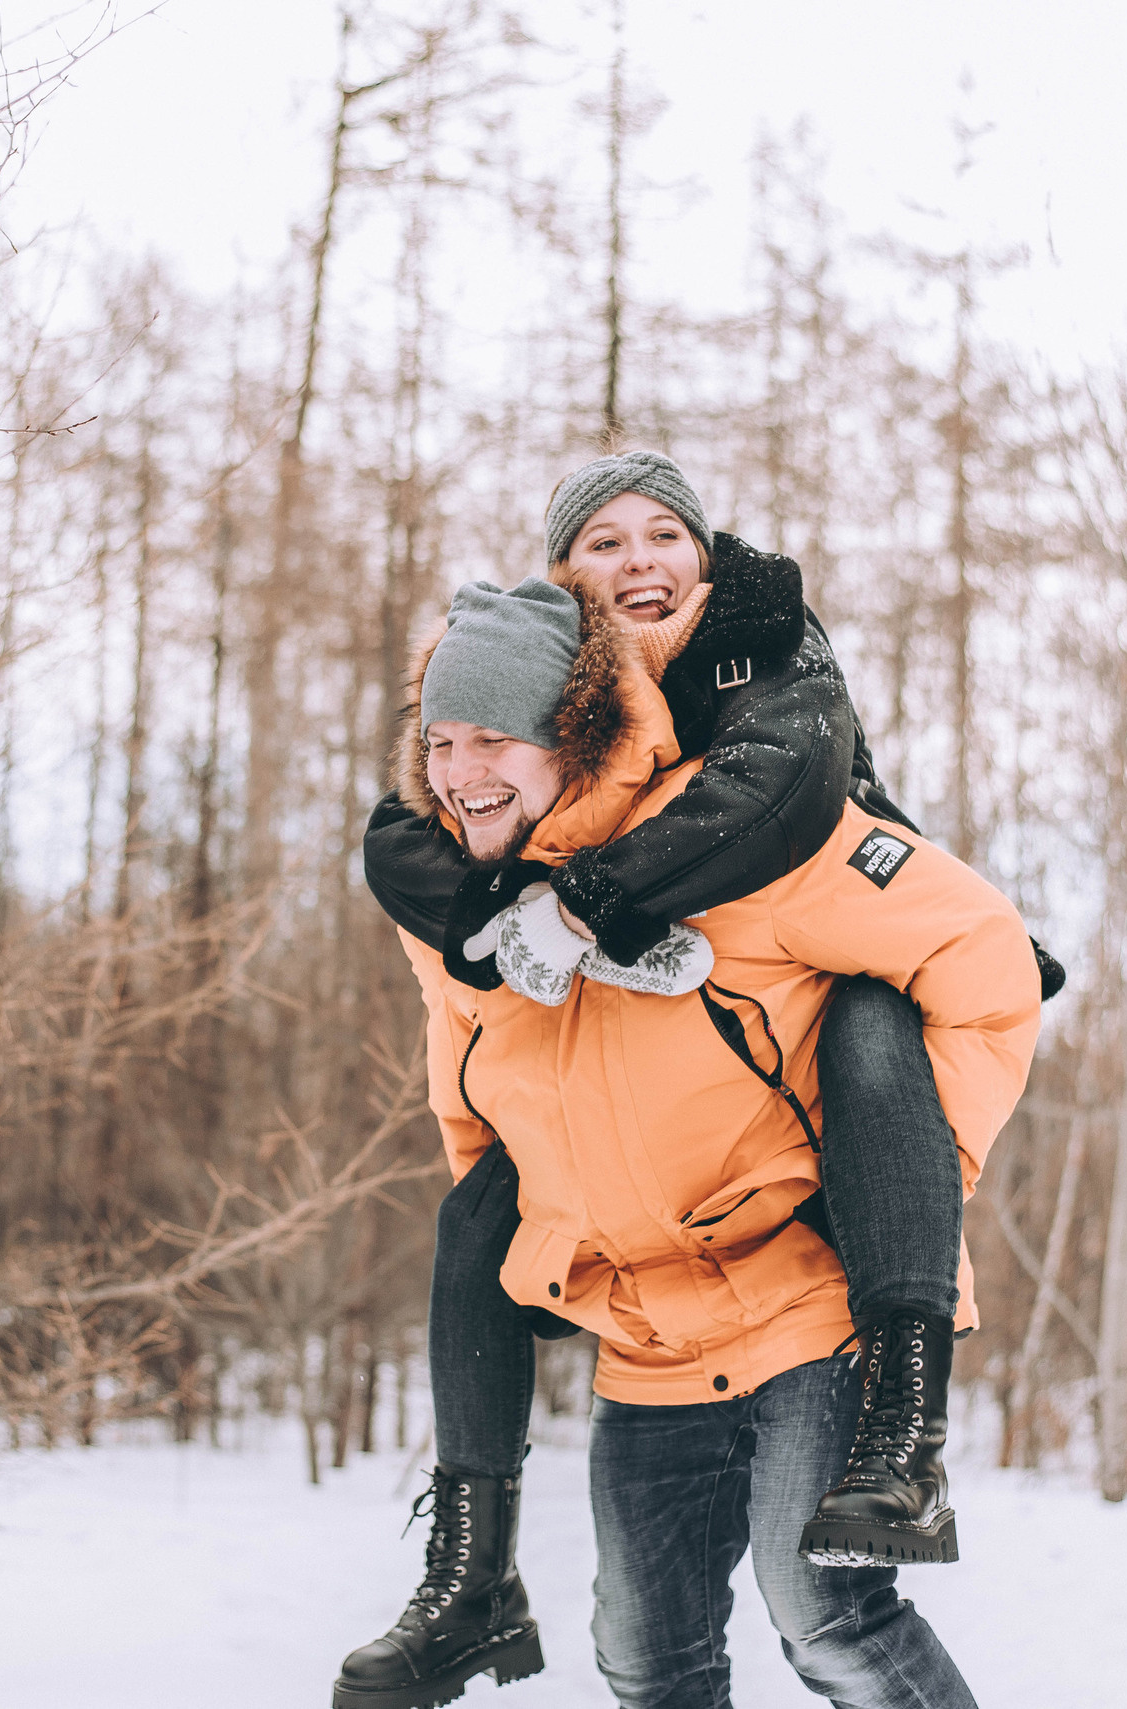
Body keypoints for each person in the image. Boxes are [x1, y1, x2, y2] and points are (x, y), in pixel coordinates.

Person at [336, 454, 1057, 1709]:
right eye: (441, 744)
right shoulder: (459, 881)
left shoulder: (753, 791)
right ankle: (467, 1573)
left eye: (493, 738)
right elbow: (469, 1081)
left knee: (826, 1615)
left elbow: (981, 954)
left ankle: (905, 1415)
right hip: (648, 1338)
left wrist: (913, 1176)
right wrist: (547, 1229)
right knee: (643, 1659)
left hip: (801, 1298)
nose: (462, 770)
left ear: (570, 718)